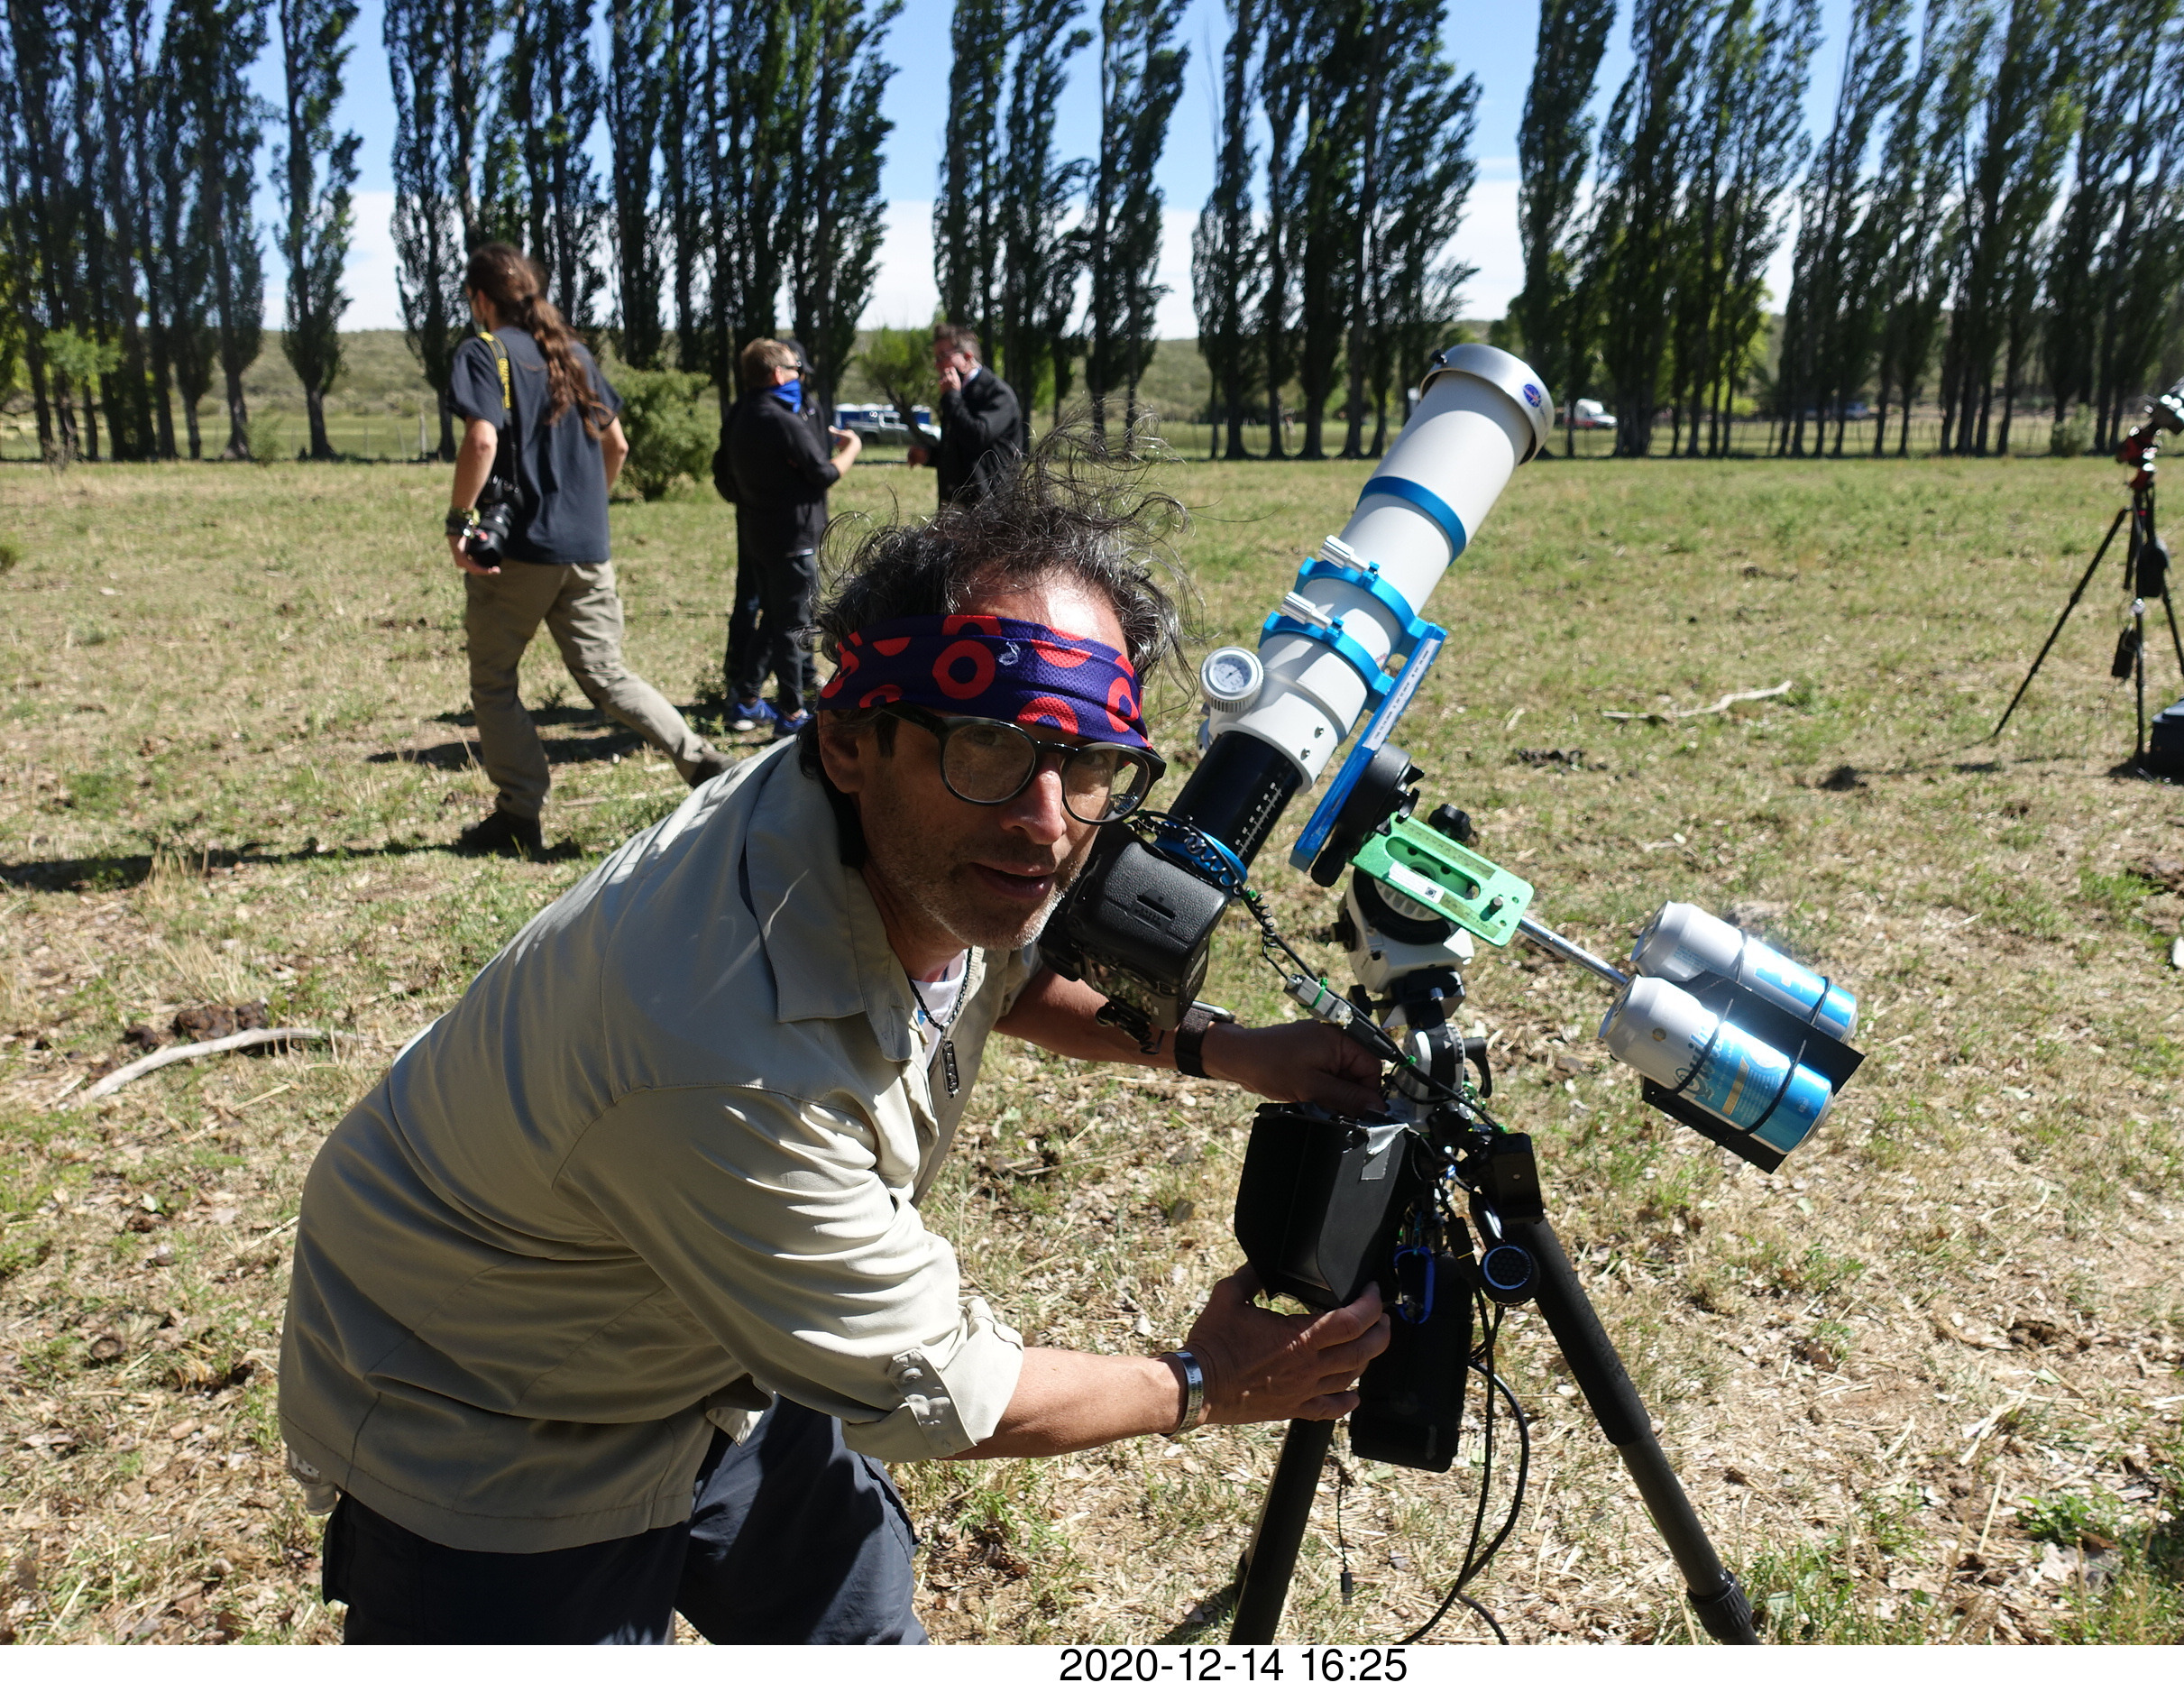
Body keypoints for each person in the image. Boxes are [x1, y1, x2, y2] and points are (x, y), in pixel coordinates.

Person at [279, 445, 1392, 1644]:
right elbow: (950, 1388)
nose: (1046, 822)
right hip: (490, 1416)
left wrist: (1231, 1050)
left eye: (1089, 763)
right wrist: (1210, 1381)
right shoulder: (718, 1046)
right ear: (853, 738)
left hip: (718, 1342)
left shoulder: (906, 834)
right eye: (989, 746)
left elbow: (1005, 966)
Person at [445, 243, 732, 858]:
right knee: (607, 674)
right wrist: (584, 513)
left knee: (494, 681)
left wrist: (458, 521)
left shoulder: (484, 351)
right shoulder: (573, 356)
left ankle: (519, 812)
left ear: (481, 299)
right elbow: (617, 445)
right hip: (587, 548)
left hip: (520, 553)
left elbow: (481, 440)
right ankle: (701, 761)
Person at [716, 338, 862, 739]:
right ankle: (792, 713)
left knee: (774, 618)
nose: (800, 377)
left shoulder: (742, 413)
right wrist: (851, 448)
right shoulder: (781, 419)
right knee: (794, 624)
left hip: (758, 532)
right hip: (793, 536)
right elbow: (822, 473)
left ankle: (746, 698)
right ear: (779, 374)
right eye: (796, 370)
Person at [905, 323, 1026, 510]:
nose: (937, 365)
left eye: (943, 356)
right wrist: (929, 455)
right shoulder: (956, 394)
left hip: (992, 509)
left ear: (968, 357)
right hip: (955, 505)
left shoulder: (997, 394)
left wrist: (952, 397)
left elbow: (977, 437)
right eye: (936, 358)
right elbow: (961, 449)